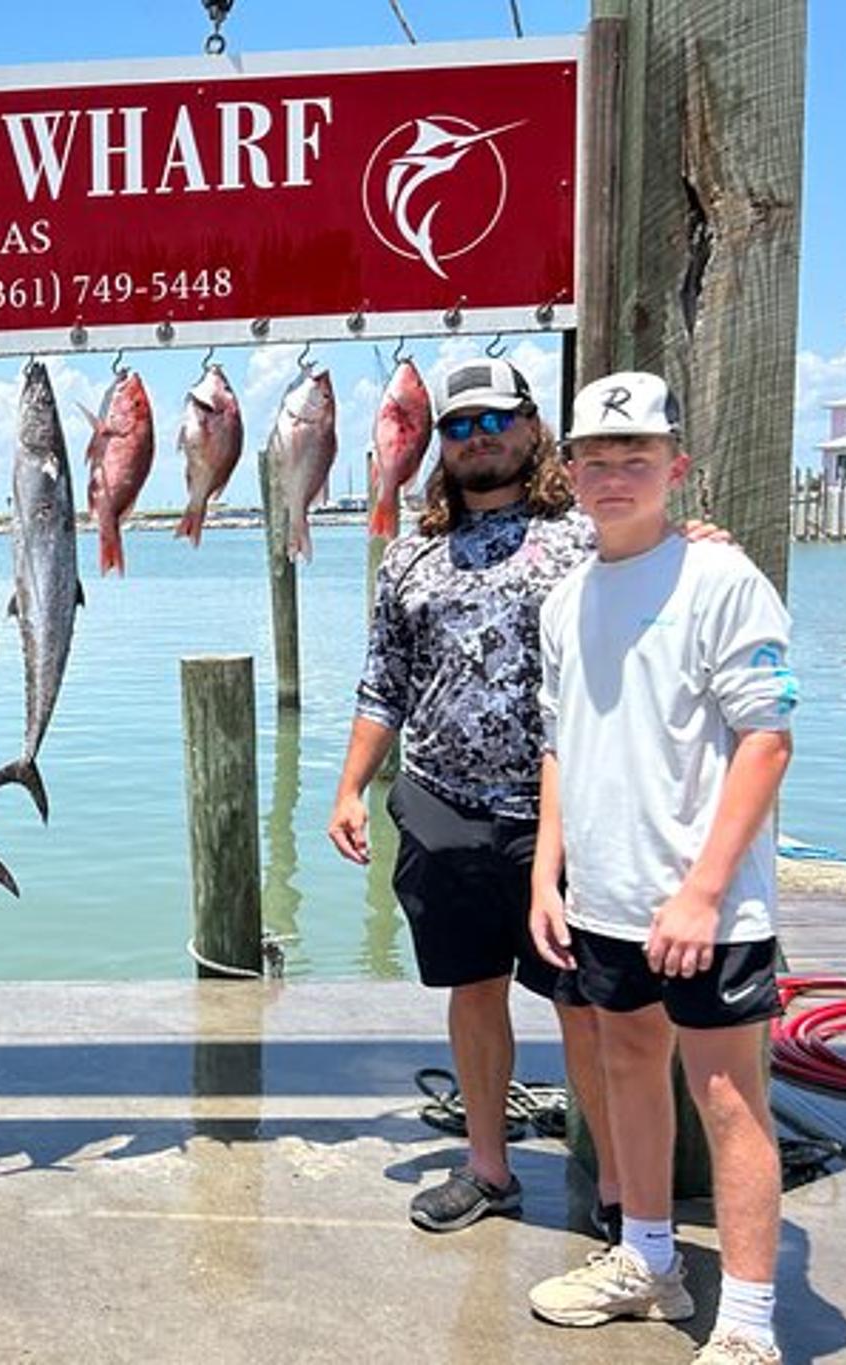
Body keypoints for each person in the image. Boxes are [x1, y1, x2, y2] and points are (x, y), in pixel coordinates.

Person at [527, 372, 796, 1365]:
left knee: (727, 1100)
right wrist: (544, 875)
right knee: (625, 1065)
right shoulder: (563, 599)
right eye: (593, 459)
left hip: (705, 908)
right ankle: (647, 1261)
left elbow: (765, 742)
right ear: (568, 474)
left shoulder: (722, 582)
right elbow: (559, 742)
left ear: (673, 469)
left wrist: (700, 890)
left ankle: (747, 1322)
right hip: (599, 898)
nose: (611, 476)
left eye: (634, 457)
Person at [328, 356, 622, 1237]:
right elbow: (384, 684)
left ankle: (620, 1188)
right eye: (458, 426)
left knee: (585, 1008)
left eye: (495, 420)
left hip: (564, 813)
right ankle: (489, 1168)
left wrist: (704, 543)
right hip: (444, 803)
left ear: (533, 430)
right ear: (438, 447)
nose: (478, 436)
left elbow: (666, 584)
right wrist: (348, 787)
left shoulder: (587, 537)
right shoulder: (409, 556)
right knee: (473, 989)